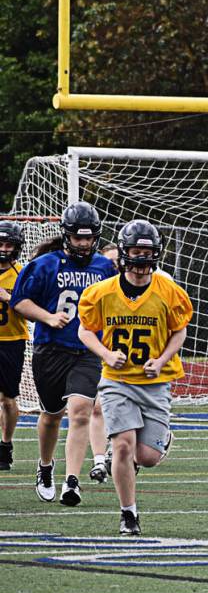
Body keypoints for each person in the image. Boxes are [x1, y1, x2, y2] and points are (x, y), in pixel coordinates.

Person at [77, 221, 192, 534]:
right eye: (136, 252)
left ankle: (159, 441)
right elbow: (85, 330)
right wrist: (106, 354)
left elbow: (179, 330)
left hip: (155, 382)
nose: (142, 258)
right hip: (117, 380)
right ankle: (129, 514)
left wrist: (163, 359)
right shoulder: (101, 292)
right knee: (124, 448)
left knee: (148, 457)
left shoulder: (168, 291)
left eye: (147, 252)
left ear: (156, 254)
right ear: (124, 253)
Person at [11, 202, 117, 505]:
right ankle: (46, 466)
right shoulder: (45, 264)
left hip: (87, 350)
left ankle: (72, 482)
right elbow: (20, 301)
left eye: (88, 238)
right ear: (66, 235)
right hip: (51, 349)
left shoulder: (104, 267)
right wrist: (48, 317)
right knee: (51, 415)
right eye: (77, 237)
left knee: (81, 411)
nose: (83, 243)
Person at [88, 242, 120, 484]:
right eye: (110, 263)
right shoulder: (97, 289)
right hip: (100, 354)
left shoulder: (152, 286)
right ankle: (100, 460)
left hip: (131, 360)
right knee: (98, 407)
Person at [0, 221, 28, 471]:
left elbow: (32, 312)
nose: (4, 249)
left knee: (8, 399)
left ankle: (6, 444)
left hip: (12, 342)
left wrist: (7, 297)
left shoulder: (22, 273)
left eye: (9, 244)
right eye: (1, 243)